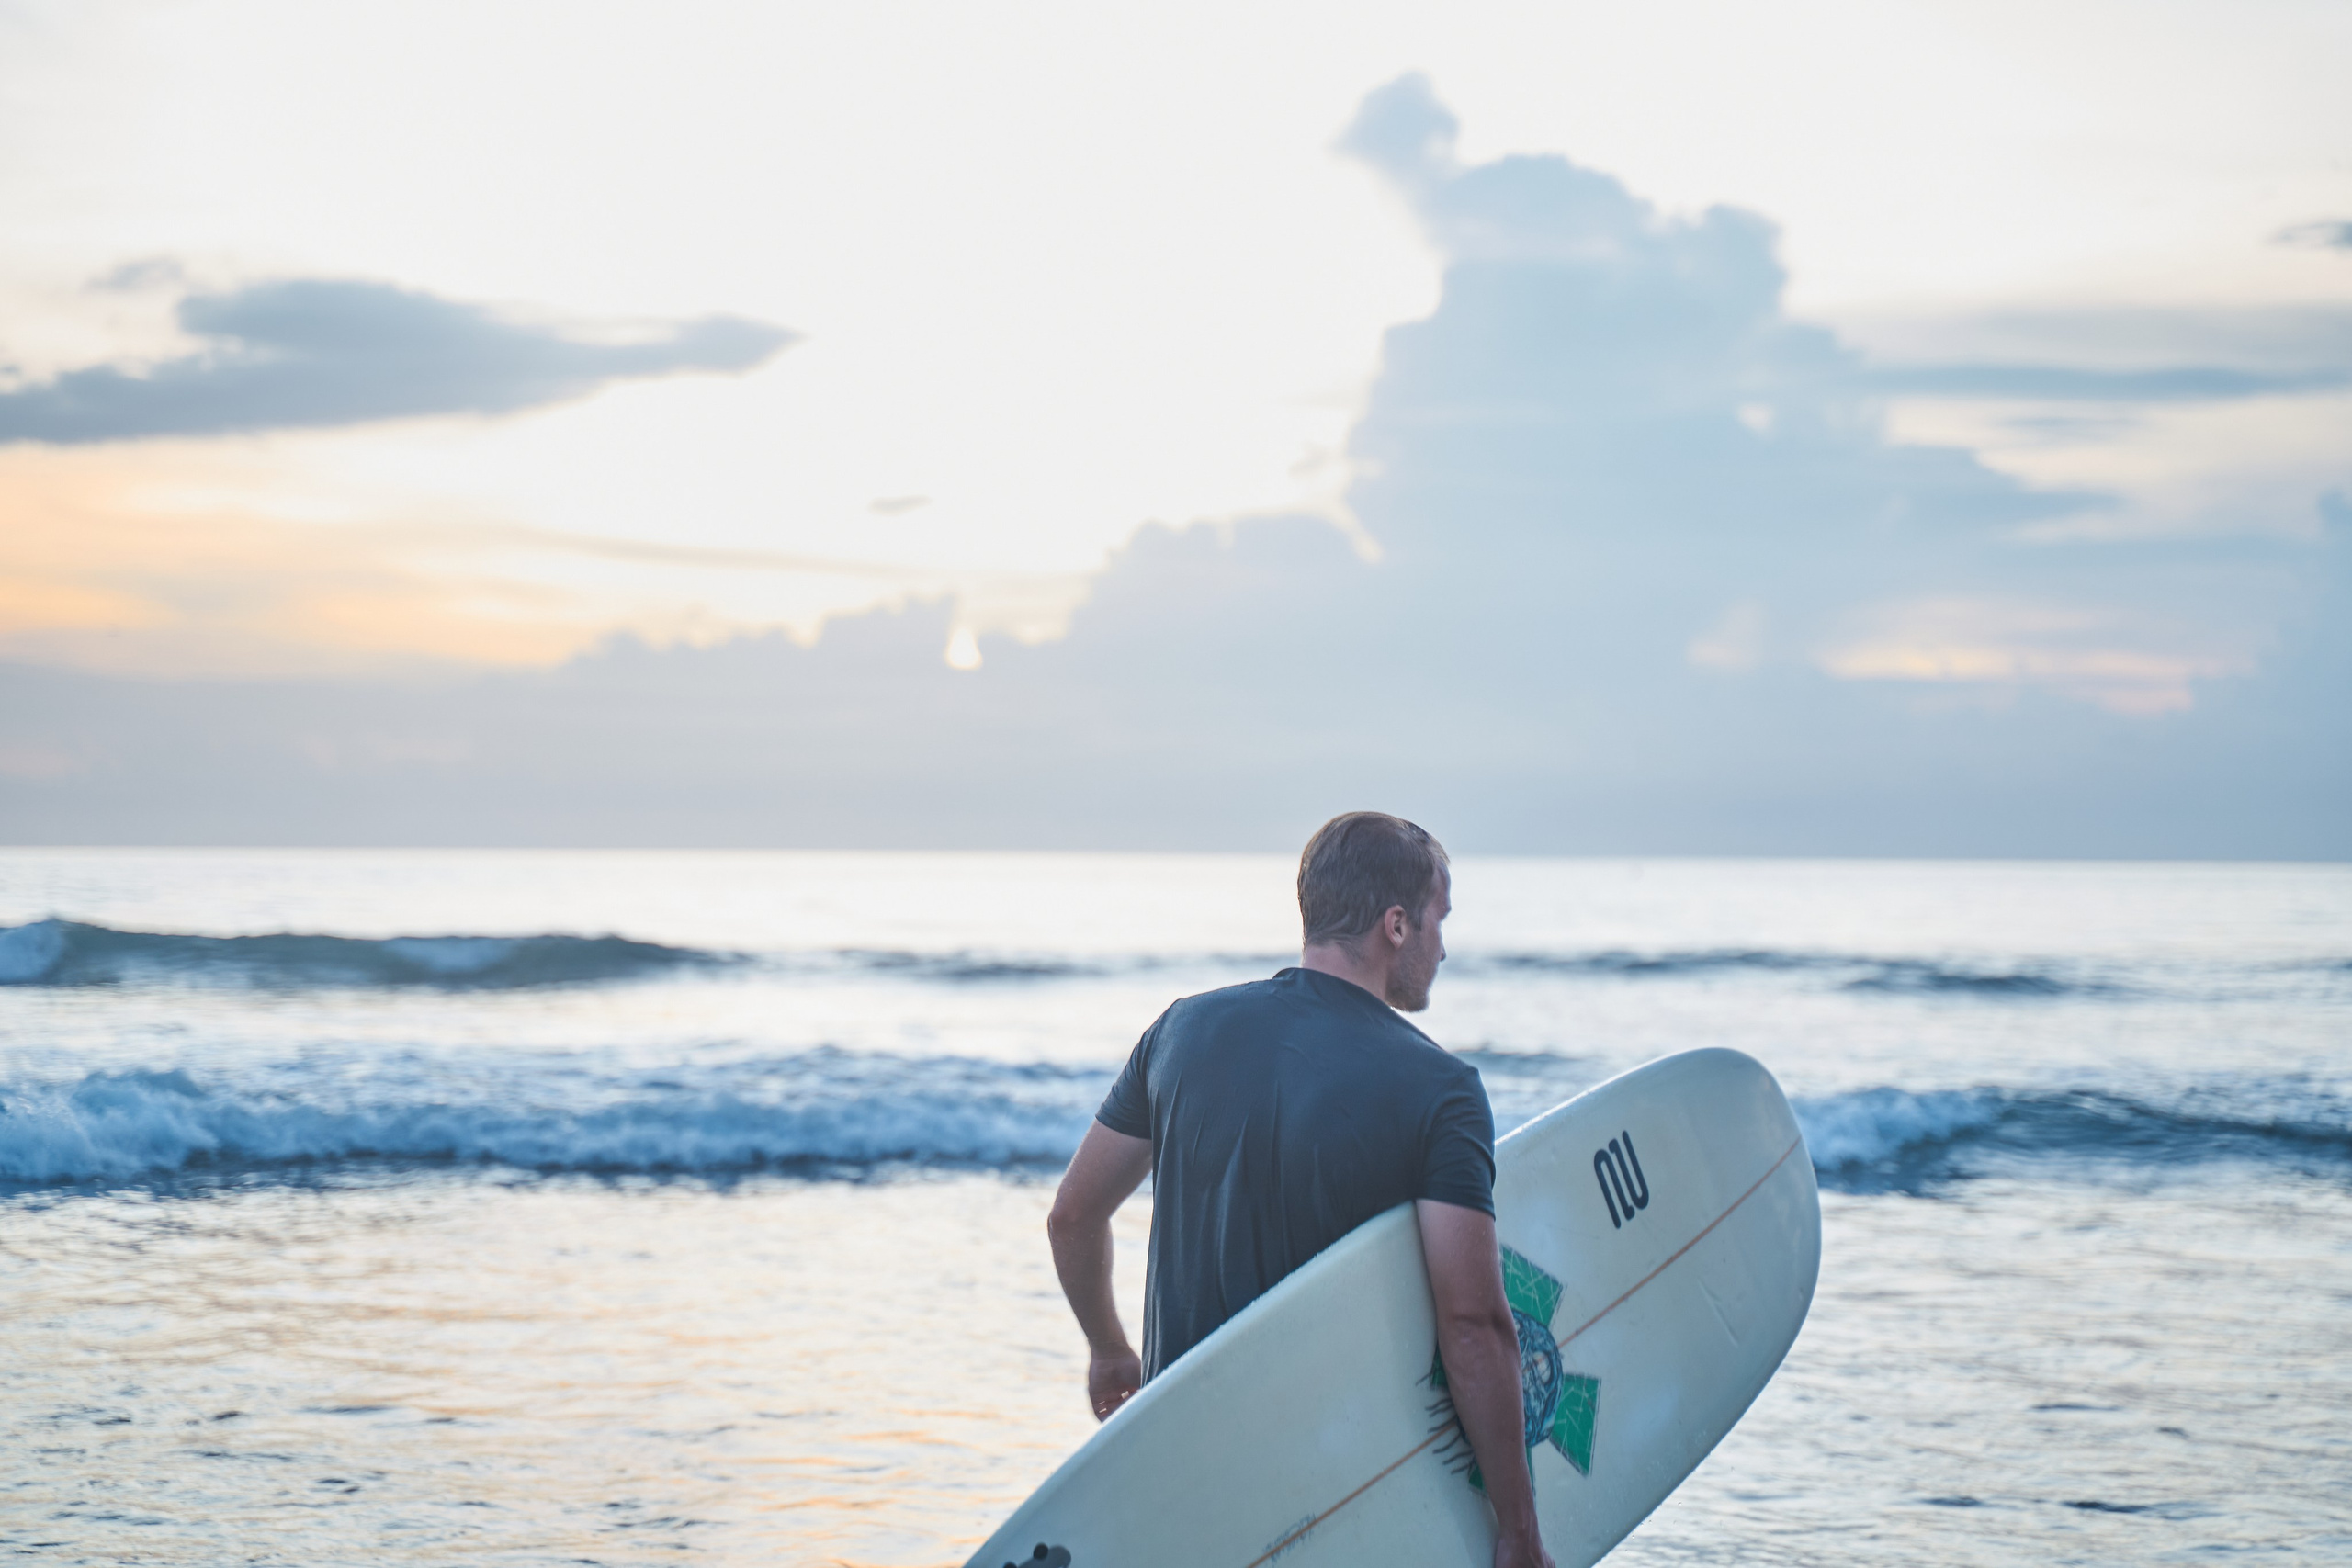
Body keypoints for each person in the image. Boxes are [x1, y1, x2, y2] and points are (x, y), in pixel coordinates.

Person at [1047, 811, 1556, 1568]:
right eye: (1436, 920)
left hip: (1175, 1484)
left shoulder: (1180, 1032)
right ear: (1395, 924)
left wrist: (1109, 1350)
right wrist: (1518, 1527)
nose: (1442, 946)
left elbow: (1073, 1216)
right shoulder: (1439, 1089)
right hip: (1336, 1493)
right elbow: (1474, 1323)